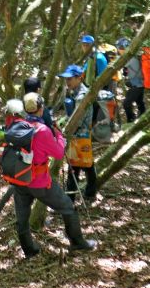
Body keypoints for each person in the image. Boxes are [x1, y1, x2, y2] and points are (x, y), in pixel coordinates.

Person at [8, 92, 96, 258]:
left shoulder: (16, 125)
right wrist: (60, 136)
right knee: (68, 208)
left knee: (22, 219)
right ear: (41, 110)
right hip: (39, 183)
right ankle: (77, 243)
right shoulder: (42, 131)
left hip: (19, 180)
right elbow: (58, 153)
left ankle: (29, 250)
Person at [57, 64, 98, 203]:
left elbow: (77, 120)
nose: (67, 82)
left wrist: (64, 129)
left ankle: (69, 200)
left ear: (79, 78)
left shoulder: (82, 96)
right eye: (66, 79)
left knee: (74, 169)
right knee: (87, 165)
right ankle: (90, 192)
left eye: (70, 79)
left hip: (80, 136)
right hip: (79, 136)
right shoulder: (75, 92)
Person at [121, 37, 147, 121]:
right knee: (139, 102)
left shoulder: (130, 59)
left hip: (137, 85)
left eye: (121, 48)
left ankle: (131, 119)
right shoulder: (134, 57)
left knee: (126, 103)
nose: (119, 51)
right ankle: (144, 118)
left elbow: (120, 65)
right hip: (140, 84)